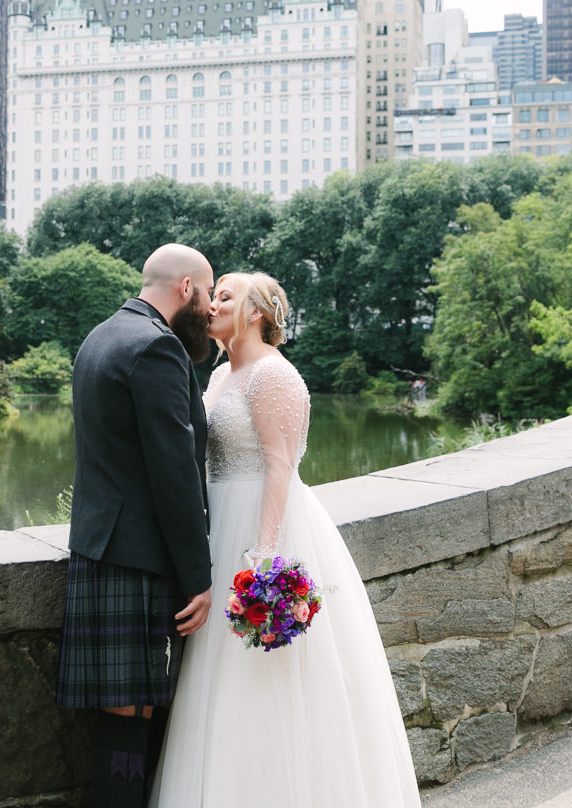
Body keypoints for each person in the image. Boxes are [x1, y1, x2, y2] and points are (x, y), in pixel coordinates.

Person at [150, 272, 422, 807]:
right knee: (214, 678)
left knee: (266, 675)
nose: (211, 305)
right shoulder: (221, 374)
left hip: (260, 527)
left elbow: (280, 465)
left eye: (224, 297)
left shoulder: (276, 376)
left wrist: (264, 556)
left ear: (254, 313)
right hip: (216, 525)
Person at [56, 243, 217, 808]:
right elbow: (174, 473)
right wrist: (199, 576)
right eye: (208, 293)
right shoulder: (157, 348)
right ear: (186, 289)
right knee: (133, 713)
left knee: (123, 711)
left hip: (100, 548)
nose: (210, 312)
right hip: (139, 557)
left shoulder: (101, 336)